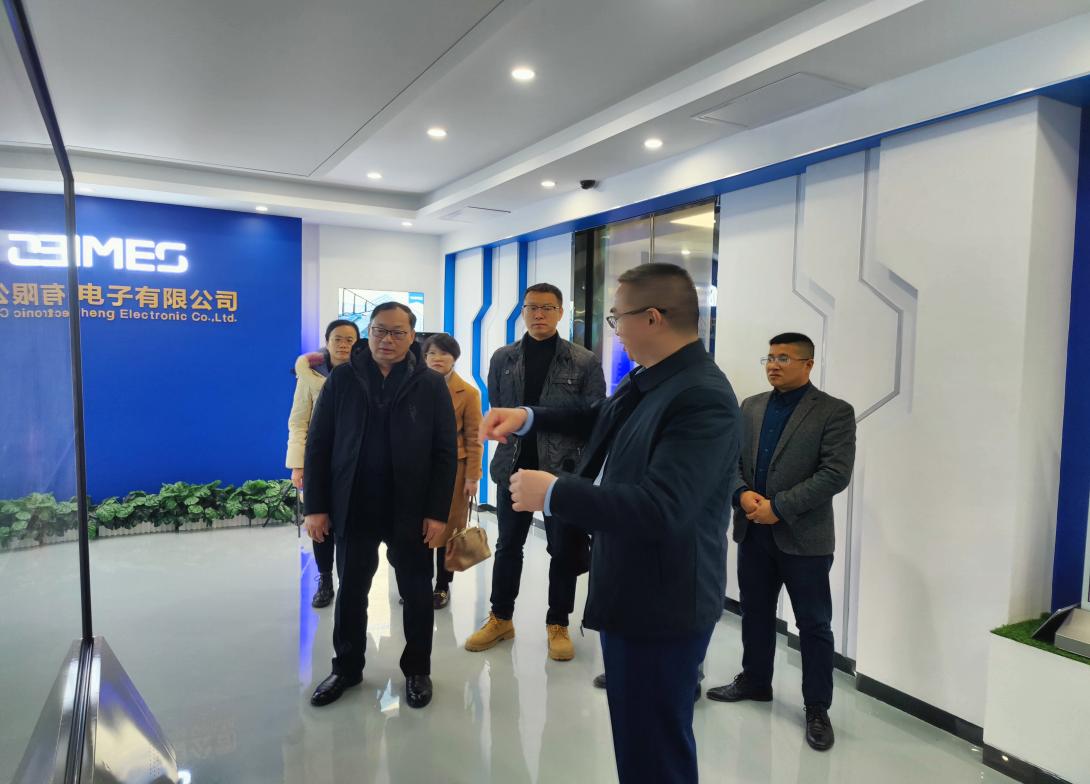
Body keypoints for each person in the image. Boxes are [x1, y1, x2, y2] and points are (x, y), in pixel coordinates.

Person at [479, 264, 741, 784]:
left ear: (653, 318)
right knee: (636, 738)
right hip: (630, 590)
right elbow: (597, 417)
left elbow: (662, 508)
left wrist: (554, 492)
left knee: (654, 750)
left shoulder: (701, 397)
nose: (615, 329)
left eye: (618, 317)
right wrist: (529, 416)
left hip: (663, 602)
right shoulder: (651, 378)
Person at [706, 333, 856, 753]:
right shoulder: (751, 406)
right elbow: (732, 461)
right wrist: (741, 493)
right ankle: (756, 681)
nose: (773, 365)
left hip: (804, 538)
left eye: (784, 358)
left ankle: (817, 707)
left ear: (808, 364)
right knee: (755, 612)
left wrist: (780, 507)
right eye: (770, 357)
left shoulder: (834, 412)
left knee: (813, 624)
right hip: (753, 530)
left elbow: (835, 474)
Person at [303, 302, 457, 709]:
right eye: (379, 330)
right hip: (354, 502)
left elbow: (445, 452)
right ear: (368, 332)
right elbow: (318, 444)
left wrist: (438, 513)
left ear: (412, 337)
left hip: (411, 507)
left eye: (397, 332)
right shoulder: (343, 379)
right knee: (351, 590)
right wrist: (315, 506)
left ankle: (418, 670)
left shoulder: (430, 384)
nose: (387, 339)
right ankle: (346, 668)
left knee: (416, 592)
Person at [464, 282, 605, 662]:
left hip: (562, 472)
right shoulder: (503, 358)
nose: (539, 314)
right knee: (508, 546)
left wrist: (534, 419)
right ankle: (500, 617)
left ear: (561, 312)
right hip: (512, 466)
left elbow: (593, 419)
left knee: (563, 550)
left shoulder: (584, 361)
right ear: (523, 312)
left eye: (547, 307)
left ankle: (558, 623)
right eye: (531, 308)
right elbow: (499, 406)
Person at [286, 319, 359, 608]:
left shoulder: (365, 373)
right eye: (337, 339)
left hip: (355, 462)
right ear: (327, 342)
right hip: (320, 462)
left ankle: (351, 581)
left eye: (350, 339)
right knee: (320, 521)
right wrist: (298, 464)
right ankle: (325, 579)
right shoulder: (310, 375)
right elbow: (298, 422)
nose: (343, 345)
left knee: (352, 523)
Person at [422, 333, 483, 609]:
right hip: (417, 470)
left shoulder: (467, 393)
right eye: (432, 353)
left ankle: (442, 586)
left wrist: (472, 476)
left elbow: (474, 438)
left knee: (449, 530)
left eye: (444, 353)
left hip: (454, 472)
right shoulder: (414, 387)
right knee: (419, 528)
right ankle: (419, 583)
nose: (437, 358)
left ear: (454, 358)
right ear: (425, 357)